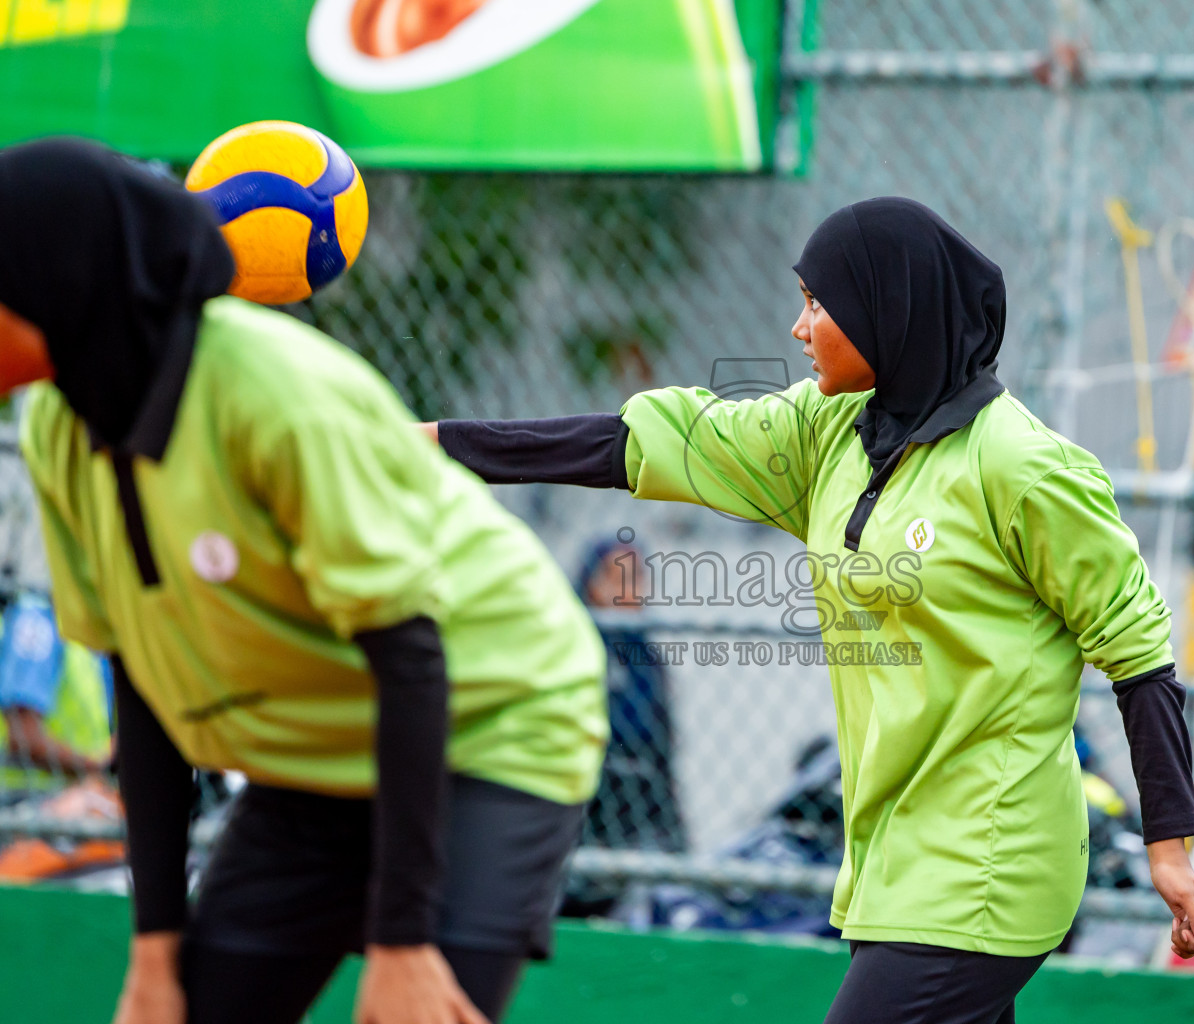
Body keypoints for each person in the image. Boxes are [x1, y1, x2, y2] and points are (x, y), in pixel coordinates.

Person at [425, 197, 1194, 1022]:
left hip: (988, 860)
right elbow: (640, 443)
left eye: (818, 304)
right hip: (893, 858)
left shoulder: (1020, 466)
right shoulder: (828, 433)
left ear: (889, 312)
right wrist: (440, 447)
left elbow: (1140, 656)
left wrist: (1169, 848)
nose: (800, 329)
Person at [0, 138, 609, 1024]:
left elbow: (409, 654)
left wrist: (402, 946)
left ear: (60, 283)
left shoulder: (275, 396)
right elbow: (142, 682)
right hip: (315, 755)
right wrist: (155, 953)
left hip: (490, 716)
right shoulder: (55, 421)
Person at [562, 537, 687, 917]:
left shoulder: (644, 656)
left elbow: (663, 747)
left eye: (635, 578)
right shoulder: (572, 644)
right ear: (590, 583)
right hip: (585, 805)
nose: (628, 591)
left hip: (644, 811)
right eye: (615, 578)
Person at [0, 590, 113, 784]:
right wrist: (97, 766)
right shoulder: (37, 619)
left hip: (74, 793)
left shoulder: (82, 625)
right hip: (30, 799)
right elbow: (24, 737)